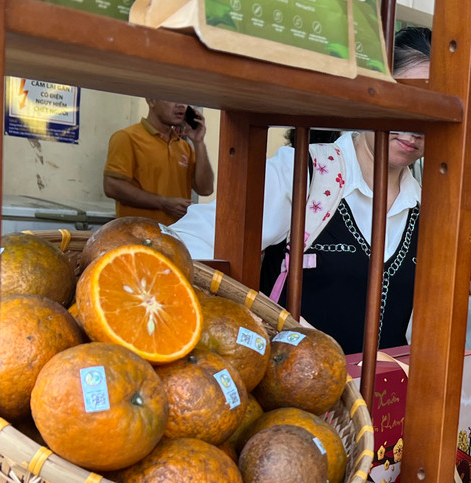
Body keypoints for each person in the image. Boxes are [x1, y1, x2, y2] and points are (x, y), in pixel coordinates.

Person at [168, 27, 433, 354]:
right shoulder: (304, 174)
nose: (414, 128)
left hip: (377, 401)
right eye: (405, 102)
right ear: (371, 92)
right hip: (293, 393)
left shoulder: (425, 209)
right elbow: (186, 244)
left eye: (429, 111)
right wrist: (252, 315)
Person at [103, 99, 215, 224]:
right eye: (172, 98)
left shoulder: (184, 147)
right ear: (151, 101)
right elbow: (112, 187)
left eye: (185, 100)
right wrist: (163, 203)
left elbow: (206, 189)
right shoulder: (127, 137)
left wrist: (199, 142)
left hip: (176, 237)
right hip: (138, 236)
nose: (181, 105)